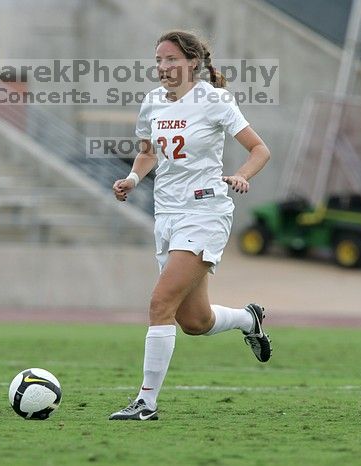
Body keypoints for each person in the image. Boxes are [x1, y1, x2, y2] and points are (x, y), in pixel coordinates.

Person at [108, 30, 272, 421]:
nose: (164, 68)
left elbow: (260, 149)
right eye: (159, 60)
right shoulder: (151, 102)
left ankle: (146, 403)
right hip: (166, 216)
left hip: (205, 213)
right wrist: (132, 179)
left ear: (193, 63)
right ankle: (249, 319)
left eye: (172, 60)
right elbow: (148, 153)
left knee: (159, 304)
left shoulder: (214, 100)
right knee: (195, 322)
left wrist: (242, 175)